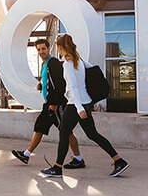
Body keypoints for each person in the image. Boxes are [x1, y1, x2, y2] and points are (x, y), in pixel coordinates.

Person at [41, 34, 129, 178]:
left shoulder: (68, 64)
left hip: (76, 104)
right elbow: (94, 69)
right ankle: (119, 161)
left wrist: (79, 108)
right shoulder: (79, 60)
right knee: (92, 134)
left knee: (64, 132)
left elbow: (74, 87)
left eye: (58, 46)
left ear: (60, 47)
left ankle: (57, 168)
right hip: (86, 101)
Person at [12, 38, 85, 168]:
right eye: (39, 50)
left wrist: (54, 104)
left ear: (49, 48)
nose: (41, 52)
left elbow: (60, 85)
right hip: (50, 103)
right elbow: (50, 83)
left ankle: (78, 159)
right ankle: (26, 154)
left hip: (55, 104)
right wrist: (42, 86)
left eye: (43, 49)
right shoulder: (45, 65)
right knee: (40, 127)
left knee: (66, 131)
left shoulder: (53, 63)